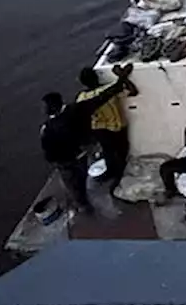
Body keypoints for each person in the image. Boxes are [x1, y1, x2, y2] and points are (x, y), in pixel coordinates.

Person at [41, 63, 137, 212]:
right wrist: (121, 79)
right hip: (82, 151)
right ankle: (116, 179)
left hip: (65, 158)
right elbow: (101, 98)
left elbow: (48, 152)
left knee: (73, 183)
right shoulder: (76, 110)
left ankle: (83, 205)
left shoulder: (47, 128)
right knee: (113, 156)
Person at [77, 67, 130, 182]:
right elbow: (132, 90)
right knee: (121, 151)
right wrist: (122, 75)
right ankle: (121, 173)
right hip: (117, 125)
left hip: (99, 129)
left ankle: (112, 173)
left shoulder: (81, 98)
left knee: (108, 152)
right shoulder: (109, 89)